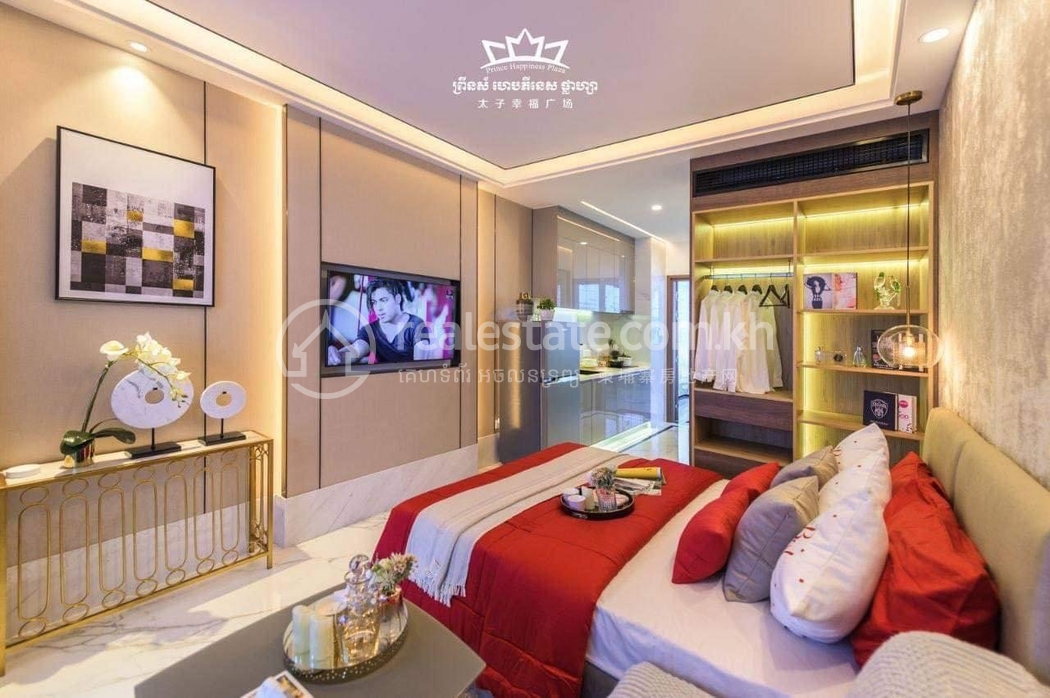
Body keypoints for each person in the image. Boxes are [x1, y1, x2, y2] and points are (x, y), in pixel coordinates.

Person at [327, 278, 438, 365]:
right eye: (374, 302)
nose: (378, 308)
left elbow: (420, 365)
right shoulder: (370, 330)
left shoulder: (415, 322)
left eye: (384, 300)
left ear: (397, 299)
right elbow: (356, 350)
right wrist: (337, 356)